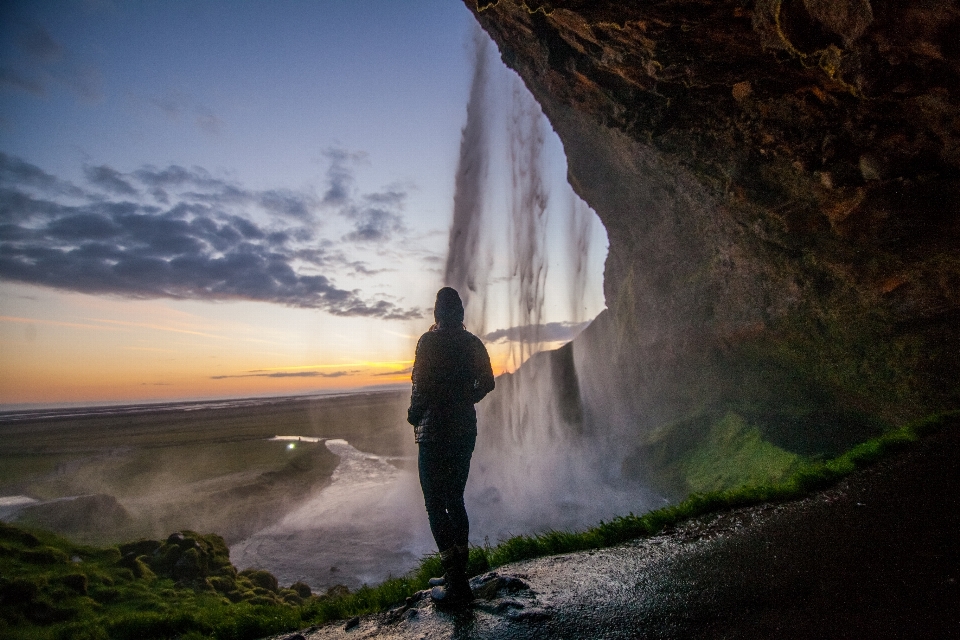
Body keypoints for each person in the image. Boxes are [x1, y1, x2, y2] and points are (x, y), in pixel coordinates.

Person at [408, 287, 495, 607]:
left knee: (434, 503)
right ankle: (458, 574)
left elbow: (421, 385)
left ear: (437, 312)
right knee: (455, 499)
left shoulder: (428, 342)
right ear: (460, 313)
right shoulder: (472, 342)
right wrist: (465, 400)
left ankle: (457, 584)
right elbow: (488, 382)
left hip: (433, 432)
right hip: (463, 430)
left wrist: (413, 415)